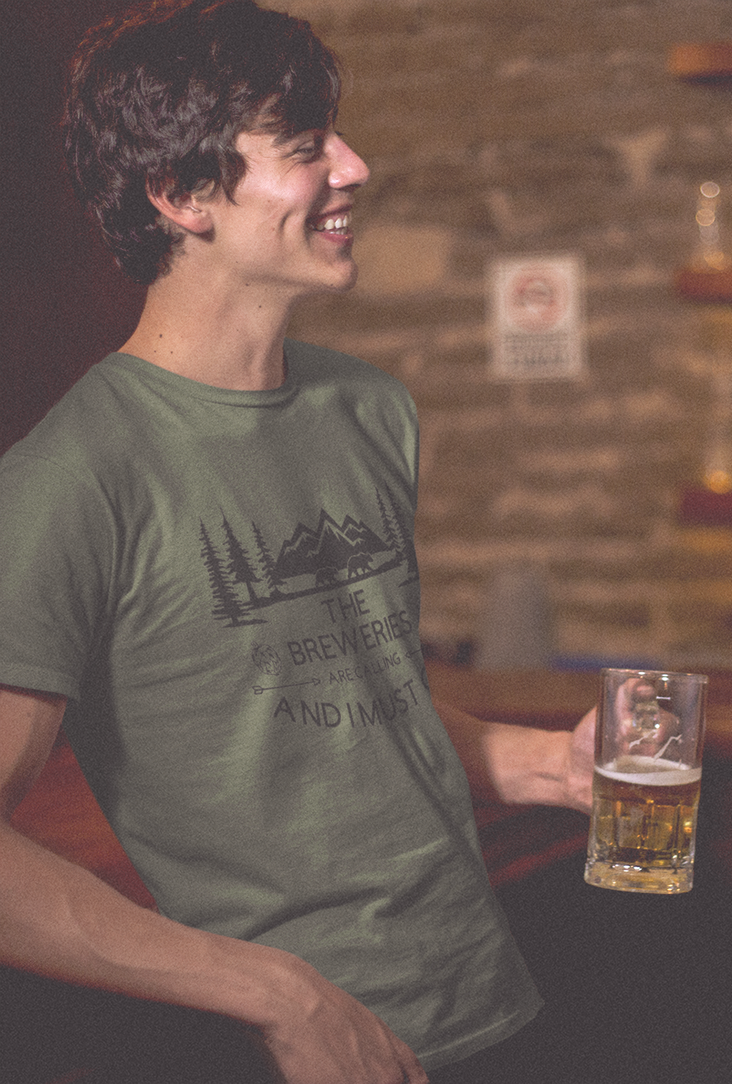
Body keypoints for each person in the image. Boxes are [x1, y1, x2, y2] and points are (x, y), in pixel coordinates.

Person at [0, 2, 596, 1081]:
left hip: (490, 995)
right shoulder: (70, 479)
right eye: (307, 145)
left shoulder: (368, 411)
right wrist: (274, 993)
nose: (355, 167)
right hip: (298, 1049)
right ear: (180, 196)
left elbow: (354, 699)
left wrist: (546, 763)